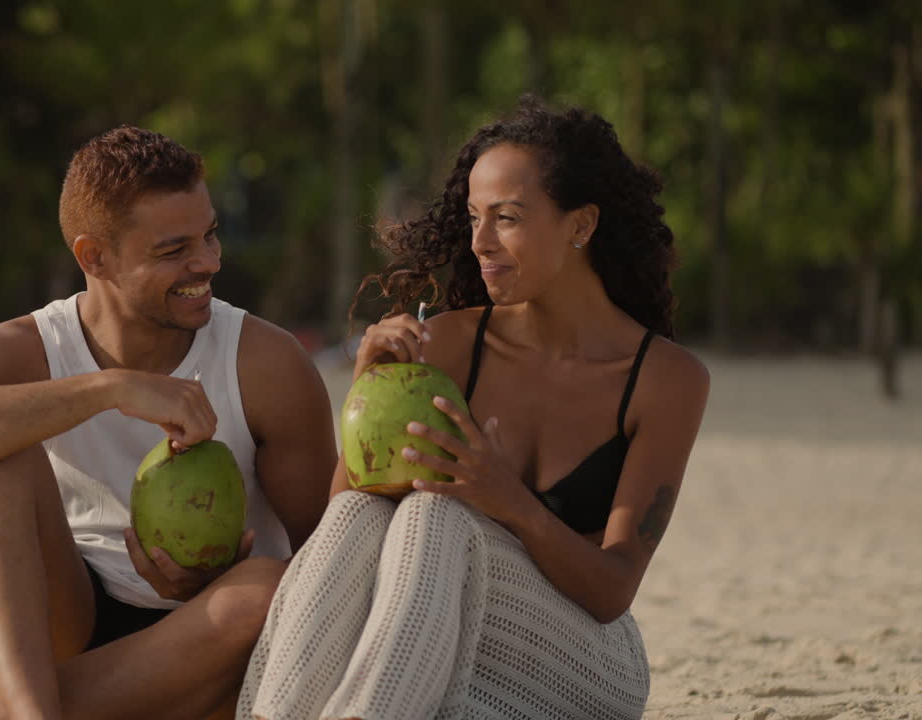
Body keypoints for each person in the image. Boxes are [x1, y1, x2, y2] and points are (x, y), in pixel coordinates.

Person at [237, 96, 710, 720]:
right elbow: (349, 524)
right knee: (360, 510)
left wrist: (506, 500)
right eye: (474, 217)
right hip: (441, 635)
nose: (480, 241)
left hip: (588, 662)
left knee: (441, 515)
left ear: (580, 225)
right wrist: (368, 386)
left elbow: (612, 591)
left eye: (507, 218)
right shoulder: (452, 344)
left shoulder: (665, 379)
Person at [0, 126, 337, 720]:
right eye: (173, 251)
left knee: (265, 590)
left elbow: (330, 560)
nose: (208, 263)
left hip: (212, 638)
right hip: (56, 635)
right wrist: (109, 389)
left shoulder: (266, 363)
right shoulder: (19, 350)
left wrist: (210, 580)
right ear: (95, 257)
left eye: (211, 235)